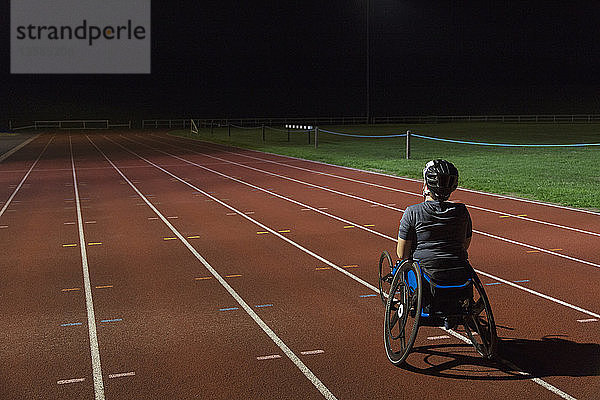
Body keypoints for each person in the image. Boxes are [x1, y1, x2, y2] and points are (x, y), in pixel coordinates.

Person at [396, 159, 473, 326]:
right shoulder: (462, 211)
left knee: (402, 264)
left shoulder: (412, 212)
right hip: (458, 271)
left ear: (426, 185)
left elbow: (402, 253)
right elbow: (465, 245)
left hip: (426, 274)